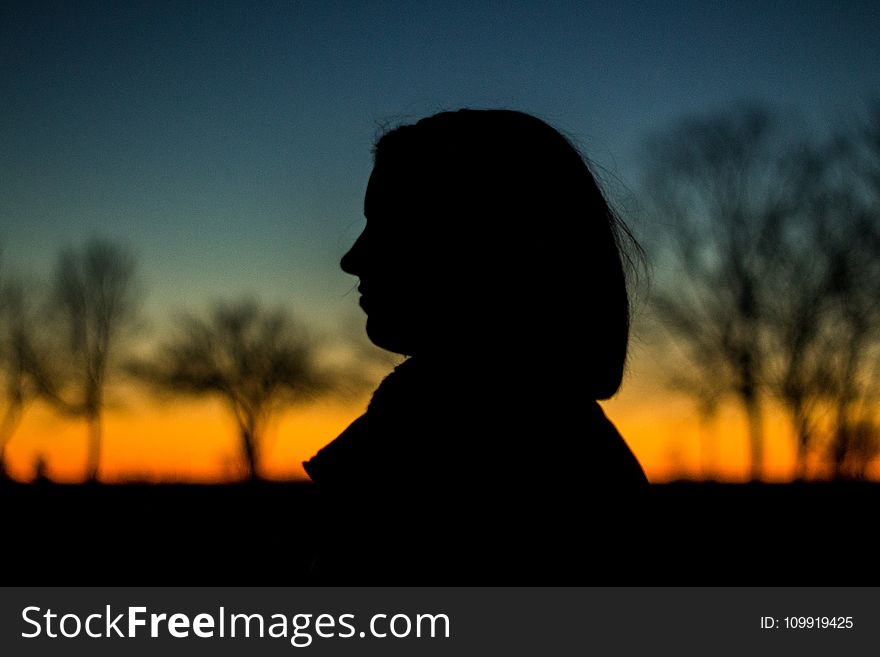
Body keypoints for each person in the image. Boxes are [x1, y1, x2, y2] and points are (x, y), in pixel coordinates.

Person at [304, 109, 648, 581]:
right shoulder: (448, 438)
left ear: (487, 243)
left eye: (394, 223)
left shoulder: (485, 469)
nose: (352, 258)